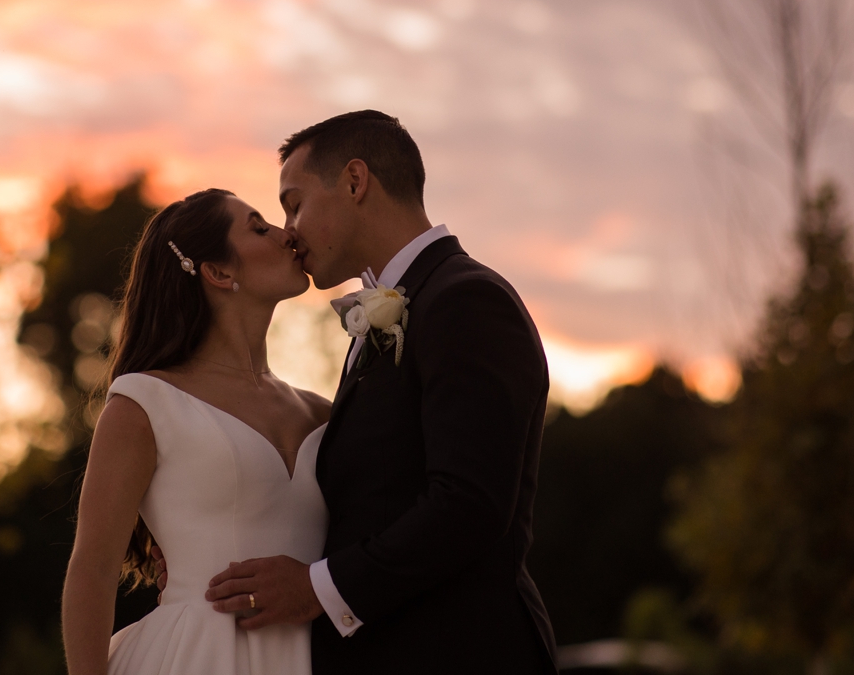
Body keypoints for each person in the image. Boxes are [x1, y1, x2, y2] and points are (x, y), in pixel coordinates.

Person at [204, 110, 559, 673]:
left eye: (294, 203)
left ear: (354, 181)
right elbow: (366, 498)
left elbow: (469, 504)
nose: (288, 229)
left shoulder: (466, 300)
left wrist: (316, 589)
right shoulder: (392, 313)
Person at [62, 188, 333, 675]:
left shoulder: (324, 413)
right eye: (258, 226)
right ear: (218, 271)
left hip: (319, 653)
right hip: (195, 656)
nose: (286, 233)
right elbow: (92, 571)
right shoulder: (144, 403)